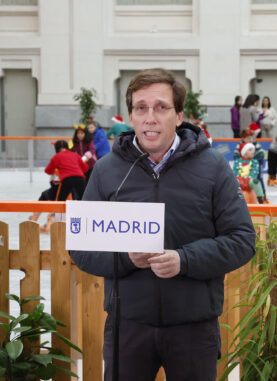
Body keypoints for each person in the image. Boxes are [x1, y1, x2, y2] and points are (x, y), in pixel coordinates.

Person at [68, 68, 255, 381]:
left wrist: (184, 260)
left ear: (179, 115)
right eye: (141, 108)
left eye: (161, 107)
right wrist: (127, 258)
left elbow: (242, 240)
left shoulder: (213, 168)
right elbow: (81, 248)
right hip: (128, 326)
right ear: (130, 115)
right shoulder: (106, 171)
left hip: (194, 328)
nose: (150, 117)